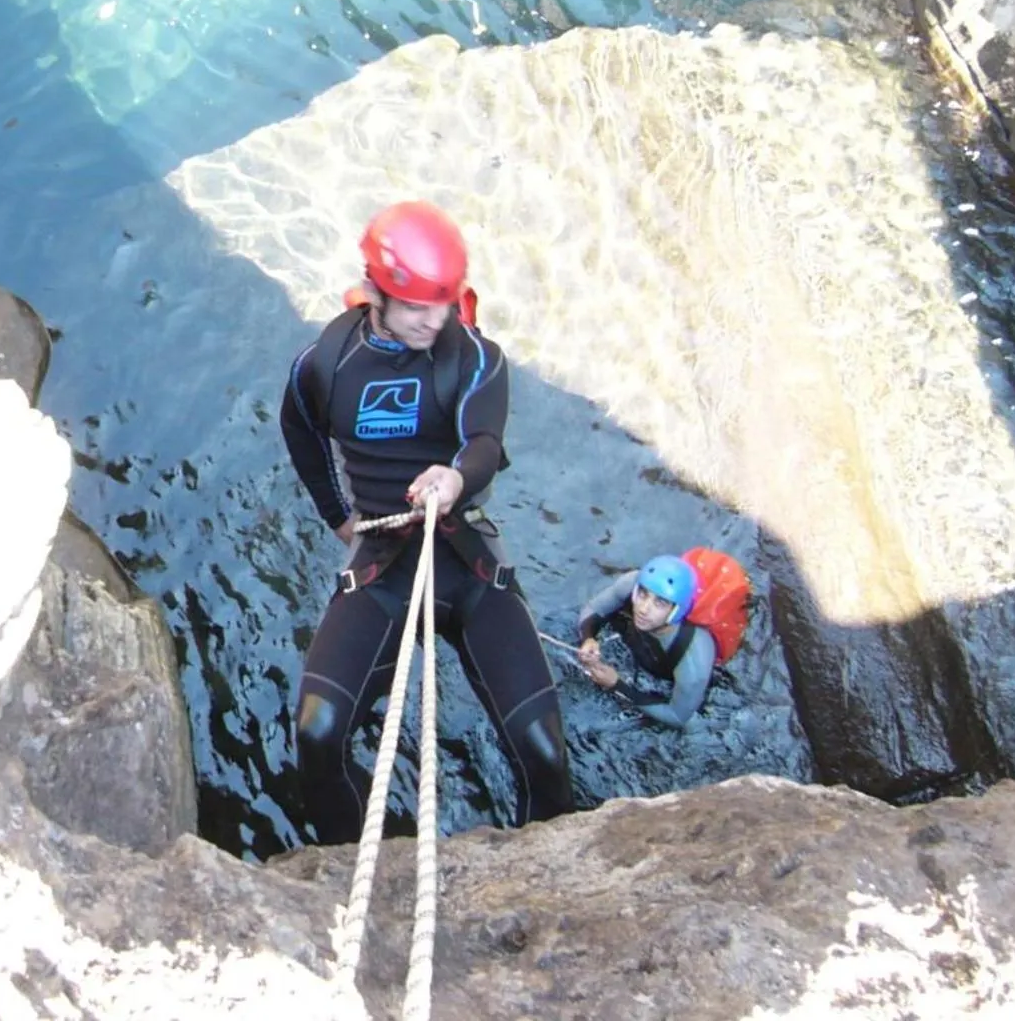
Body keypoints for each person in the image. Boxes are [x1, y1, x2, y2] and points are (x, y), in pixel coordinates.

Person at [280, 200, 574, 843]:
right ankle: (352, 871)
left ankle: (546, 873)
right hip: (382, 562)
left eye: (443, 304)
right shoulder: (327, 363)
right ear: (377, 292)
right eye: (416, 306)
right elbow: (299, 430)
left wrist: (455, 478)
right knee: (317, 734)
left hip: (463, 554)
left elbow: (485, 442)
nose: (433, 321)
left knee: (546, 753)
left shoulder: (474, 358)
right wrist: (338, 516)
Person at [571, 555, 717, 729]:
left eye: (660, 603)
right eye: (642, 595)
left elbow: (678, 717)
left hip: (670, 675)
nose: (643, 608)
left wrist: (618, 685)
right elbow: (593, 609)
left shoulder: (692, 657)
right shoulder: (633, 583)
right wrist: (589, 638)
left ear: (676, 611)